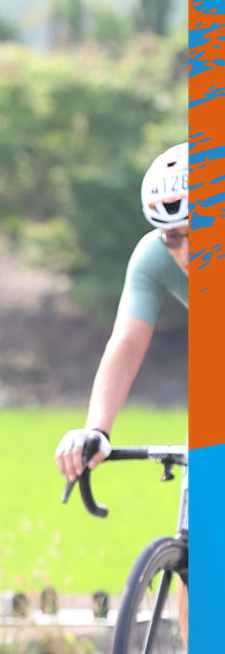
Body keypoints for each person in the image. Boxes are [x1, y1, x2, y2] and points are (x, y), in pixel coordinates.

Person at [54, 142, 188, 481]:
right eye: (173, 236)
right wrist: (97, 429)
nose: (186, 251)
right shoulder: (154, 256)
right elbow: (126, 343)